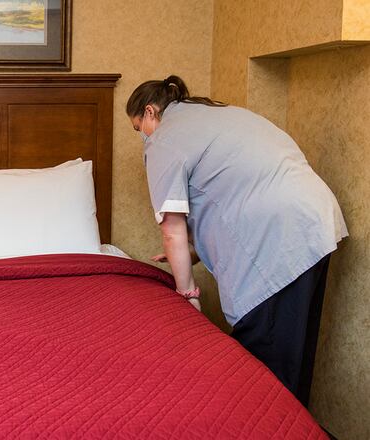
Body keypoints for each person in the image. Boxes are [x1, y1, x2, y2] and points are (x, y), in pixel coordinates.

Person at [126, 76, 347, 407]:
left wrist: (188, 295)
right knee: (293, 355)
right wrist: (196, 250)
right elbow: (230, 188)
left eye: (137, 127)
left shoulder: (165, 139)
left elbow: (172, 227)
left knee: (260, 367)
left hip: (276, 238)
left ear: (150, 112)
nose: (142, 136)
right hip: (314, 224)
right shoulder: (222, 114)